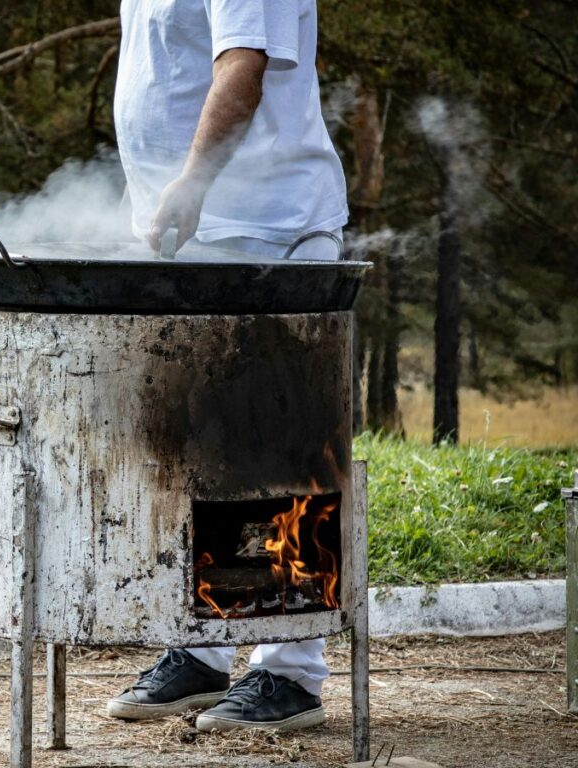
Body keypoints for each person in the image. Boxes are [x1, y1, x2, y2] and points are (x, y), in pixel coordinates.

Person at [105, 0, 348, 733]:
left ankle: (290, 672)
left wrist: (194, 184)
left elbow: (243, 68)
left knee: (279, 463)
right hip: (188, 233)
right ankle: (204, 649)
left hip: (265, 228)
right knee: (198, 461)